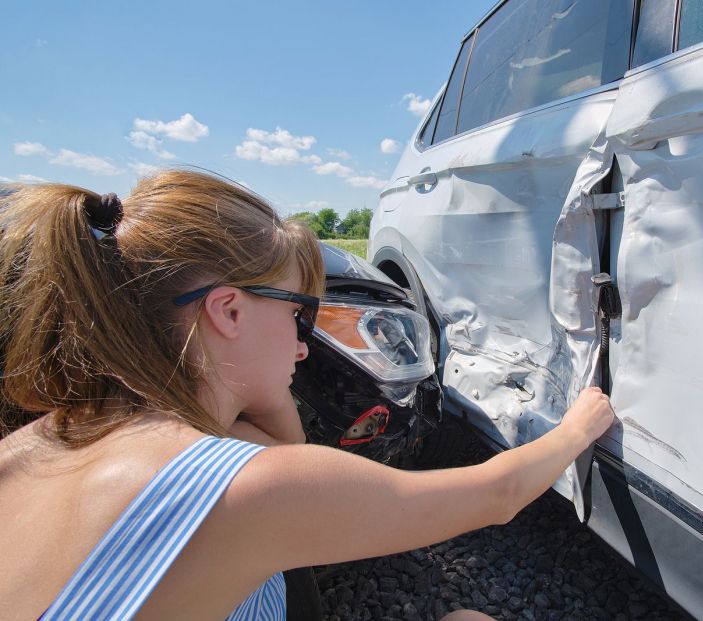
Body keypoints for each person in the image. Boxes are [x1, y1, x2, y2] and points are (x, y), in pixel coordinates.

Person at [0, 170, 615, 620]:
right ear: (228, 310)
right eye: (301, 313)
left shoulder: (43, 437)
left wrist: (253, 389)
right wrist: (580, 426)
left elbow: (279, 457)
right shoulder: (253, 489)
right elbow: (498, 495)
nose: (303, 345)